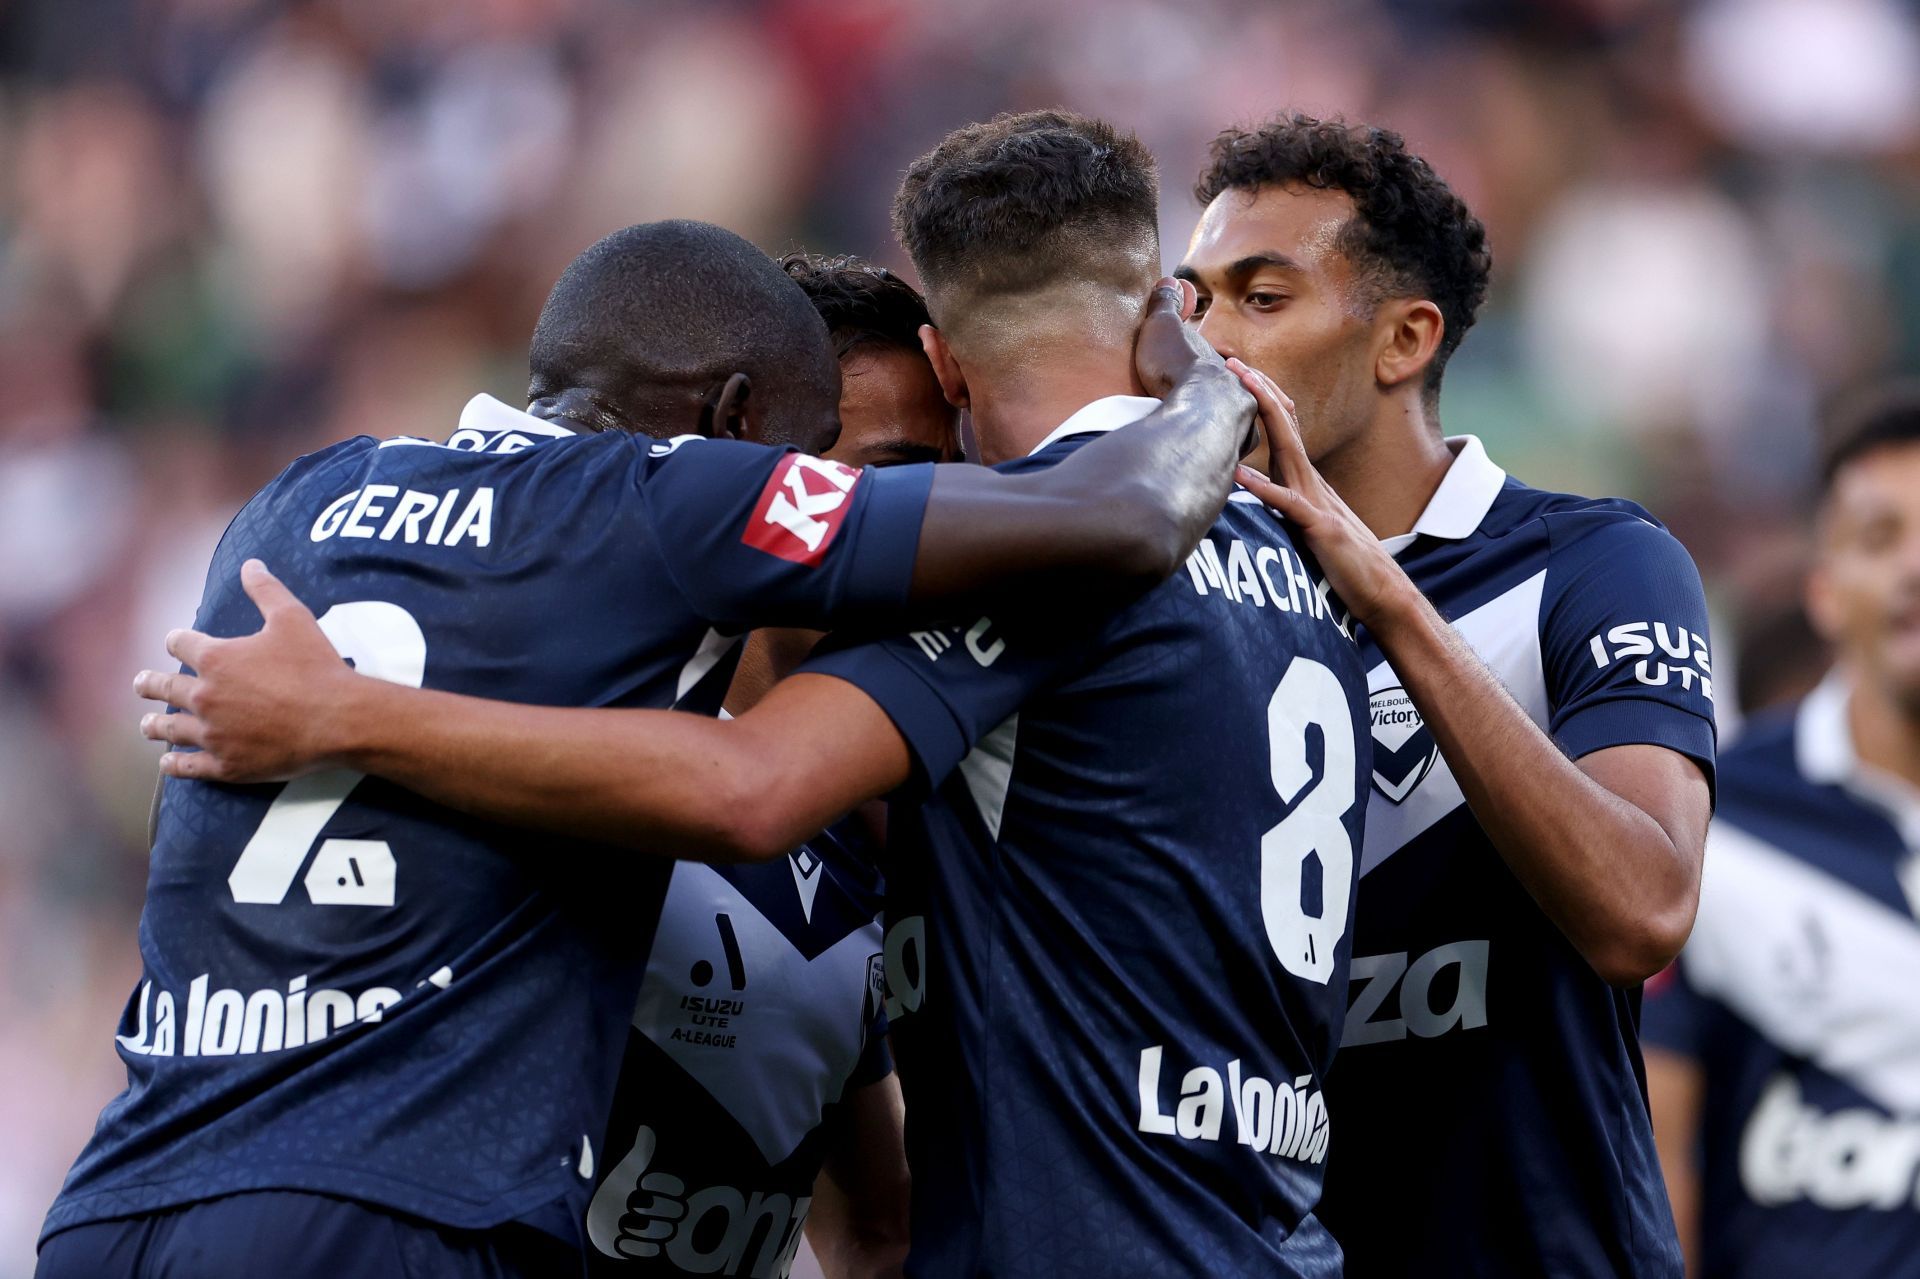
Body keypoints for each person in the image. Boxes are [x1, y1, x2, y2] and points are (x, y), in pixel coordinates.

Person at [136, 110, 1372, 1277]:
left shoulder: (945, 695)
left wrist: (347, 714)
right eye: (875, 480)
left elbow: (758, 810)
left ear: (951, 366)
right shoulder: (1304, 580)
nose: (925, 533)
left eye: (921, 481)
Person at [1178, 114, 1717, 1276]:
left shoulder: (1593, 563)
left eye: (1260, 300)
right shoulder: (1179, 598)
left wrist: (1390, 604)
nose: (1208, 341)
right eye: (1194, 302)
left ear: (1403, 339)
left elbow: (1643, 909)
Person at [587, 254, 957, 1279]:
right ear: (767, 461)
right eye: (890, 477)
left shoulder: (870, 810)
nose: (936, 525)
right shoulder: (592, 748)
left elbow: (875, 1228)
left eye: (951, 480)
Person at [1643, 389, 1920, 1279]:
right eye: (1881, 537)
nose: (1916, 567)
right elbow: (1657, 1165)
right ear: (1825, 592)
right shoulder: (1720, 818)